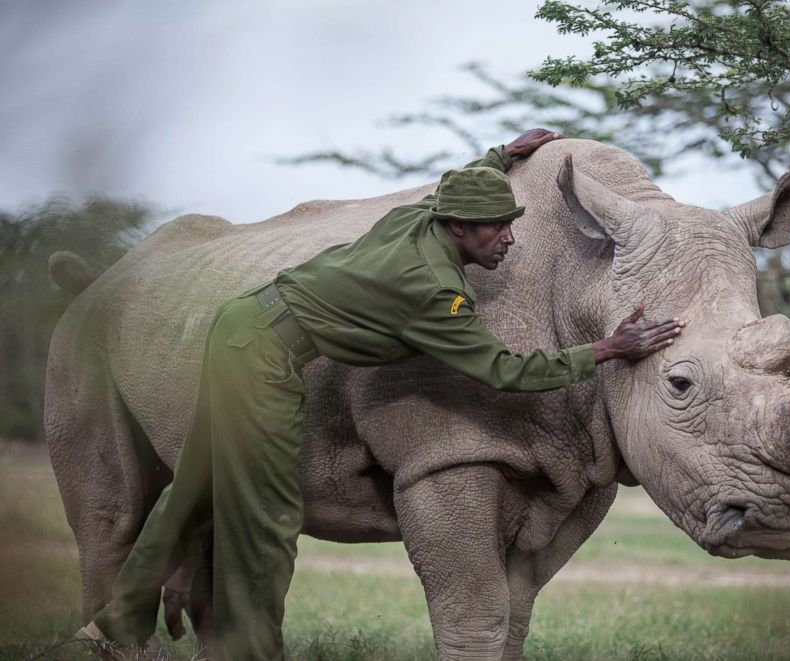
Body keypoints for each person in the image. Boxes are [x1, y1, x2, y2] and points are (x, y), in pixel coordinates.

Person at [77, 129, 684, 660]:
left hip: (241, 324)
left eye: (511, 224)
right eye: (498, 228)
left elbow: (448, 186)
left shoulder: (414, 221)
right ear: (461, 228)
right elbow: (504, 370)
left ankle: (113, 625)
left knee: (195, 488)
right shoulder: (437, 291)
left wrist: (503, 156)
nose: (509, 240)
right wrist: (609, 348)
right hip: (262, 359)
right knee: (268, 516)